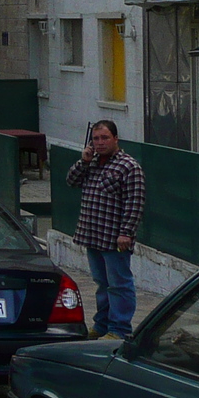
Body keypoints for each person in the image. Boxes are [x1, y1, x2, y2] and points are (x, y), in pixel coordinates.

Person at [65, 119, 146, 339]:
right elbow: (71, 181)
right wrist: (83, 161)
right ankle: (101, 325)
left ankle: (119, 329)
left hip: (114, 238)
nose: (100, 143)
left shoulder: (129, 166)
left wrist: (126, 232)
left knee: (119, 284)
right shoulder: (91, 162)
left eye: (105, 138)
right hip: (92, 236)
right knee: (102, 284)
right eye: (96, 139)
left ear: (116, 139)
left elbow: (135, 202)